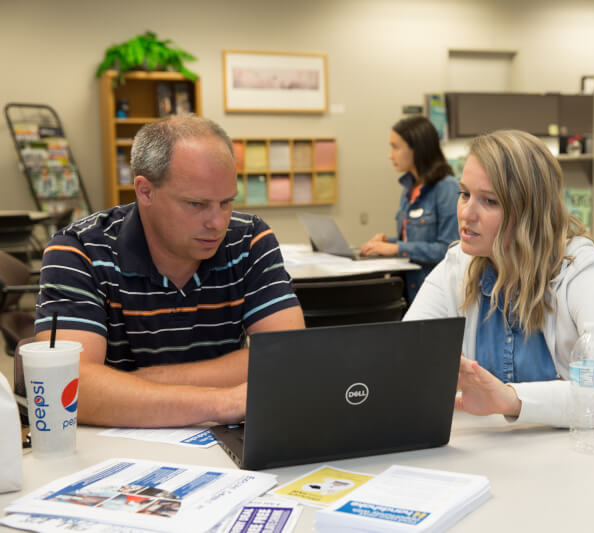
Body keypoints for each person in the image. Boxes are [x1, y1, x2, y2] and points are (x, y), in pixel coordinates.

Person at [405, 129, 594, 456]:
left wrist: (511, 399)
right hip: (509, 453)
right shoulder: (458, 265)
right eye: (464, 194)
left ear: (529, 211)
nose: (466, 213)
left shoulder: (580, 269)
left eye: (490, 201)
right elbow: (401, 358)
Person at [33, 115, 305, 428]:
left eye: (226, 202)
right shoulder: (78, 250)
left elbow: (289, 357)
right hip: (114, 451)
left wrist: (148, 382)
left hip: (223, 447)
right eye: (196, 204)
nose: (217, 223)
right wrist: (225, 401)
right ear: (145, 191)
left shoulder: (250, 239)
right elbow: (67, 385)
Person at [359, 116, 459, 302]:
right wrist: (386, 242)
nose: (390, 155)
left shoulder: (447, 188)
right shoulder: (409, 188)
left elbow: (450, 249)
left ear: (417, 148)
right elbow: (415, 240)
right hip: (408, 293)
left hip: (434, 296)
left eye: (396, 147)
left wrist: (396, 248)